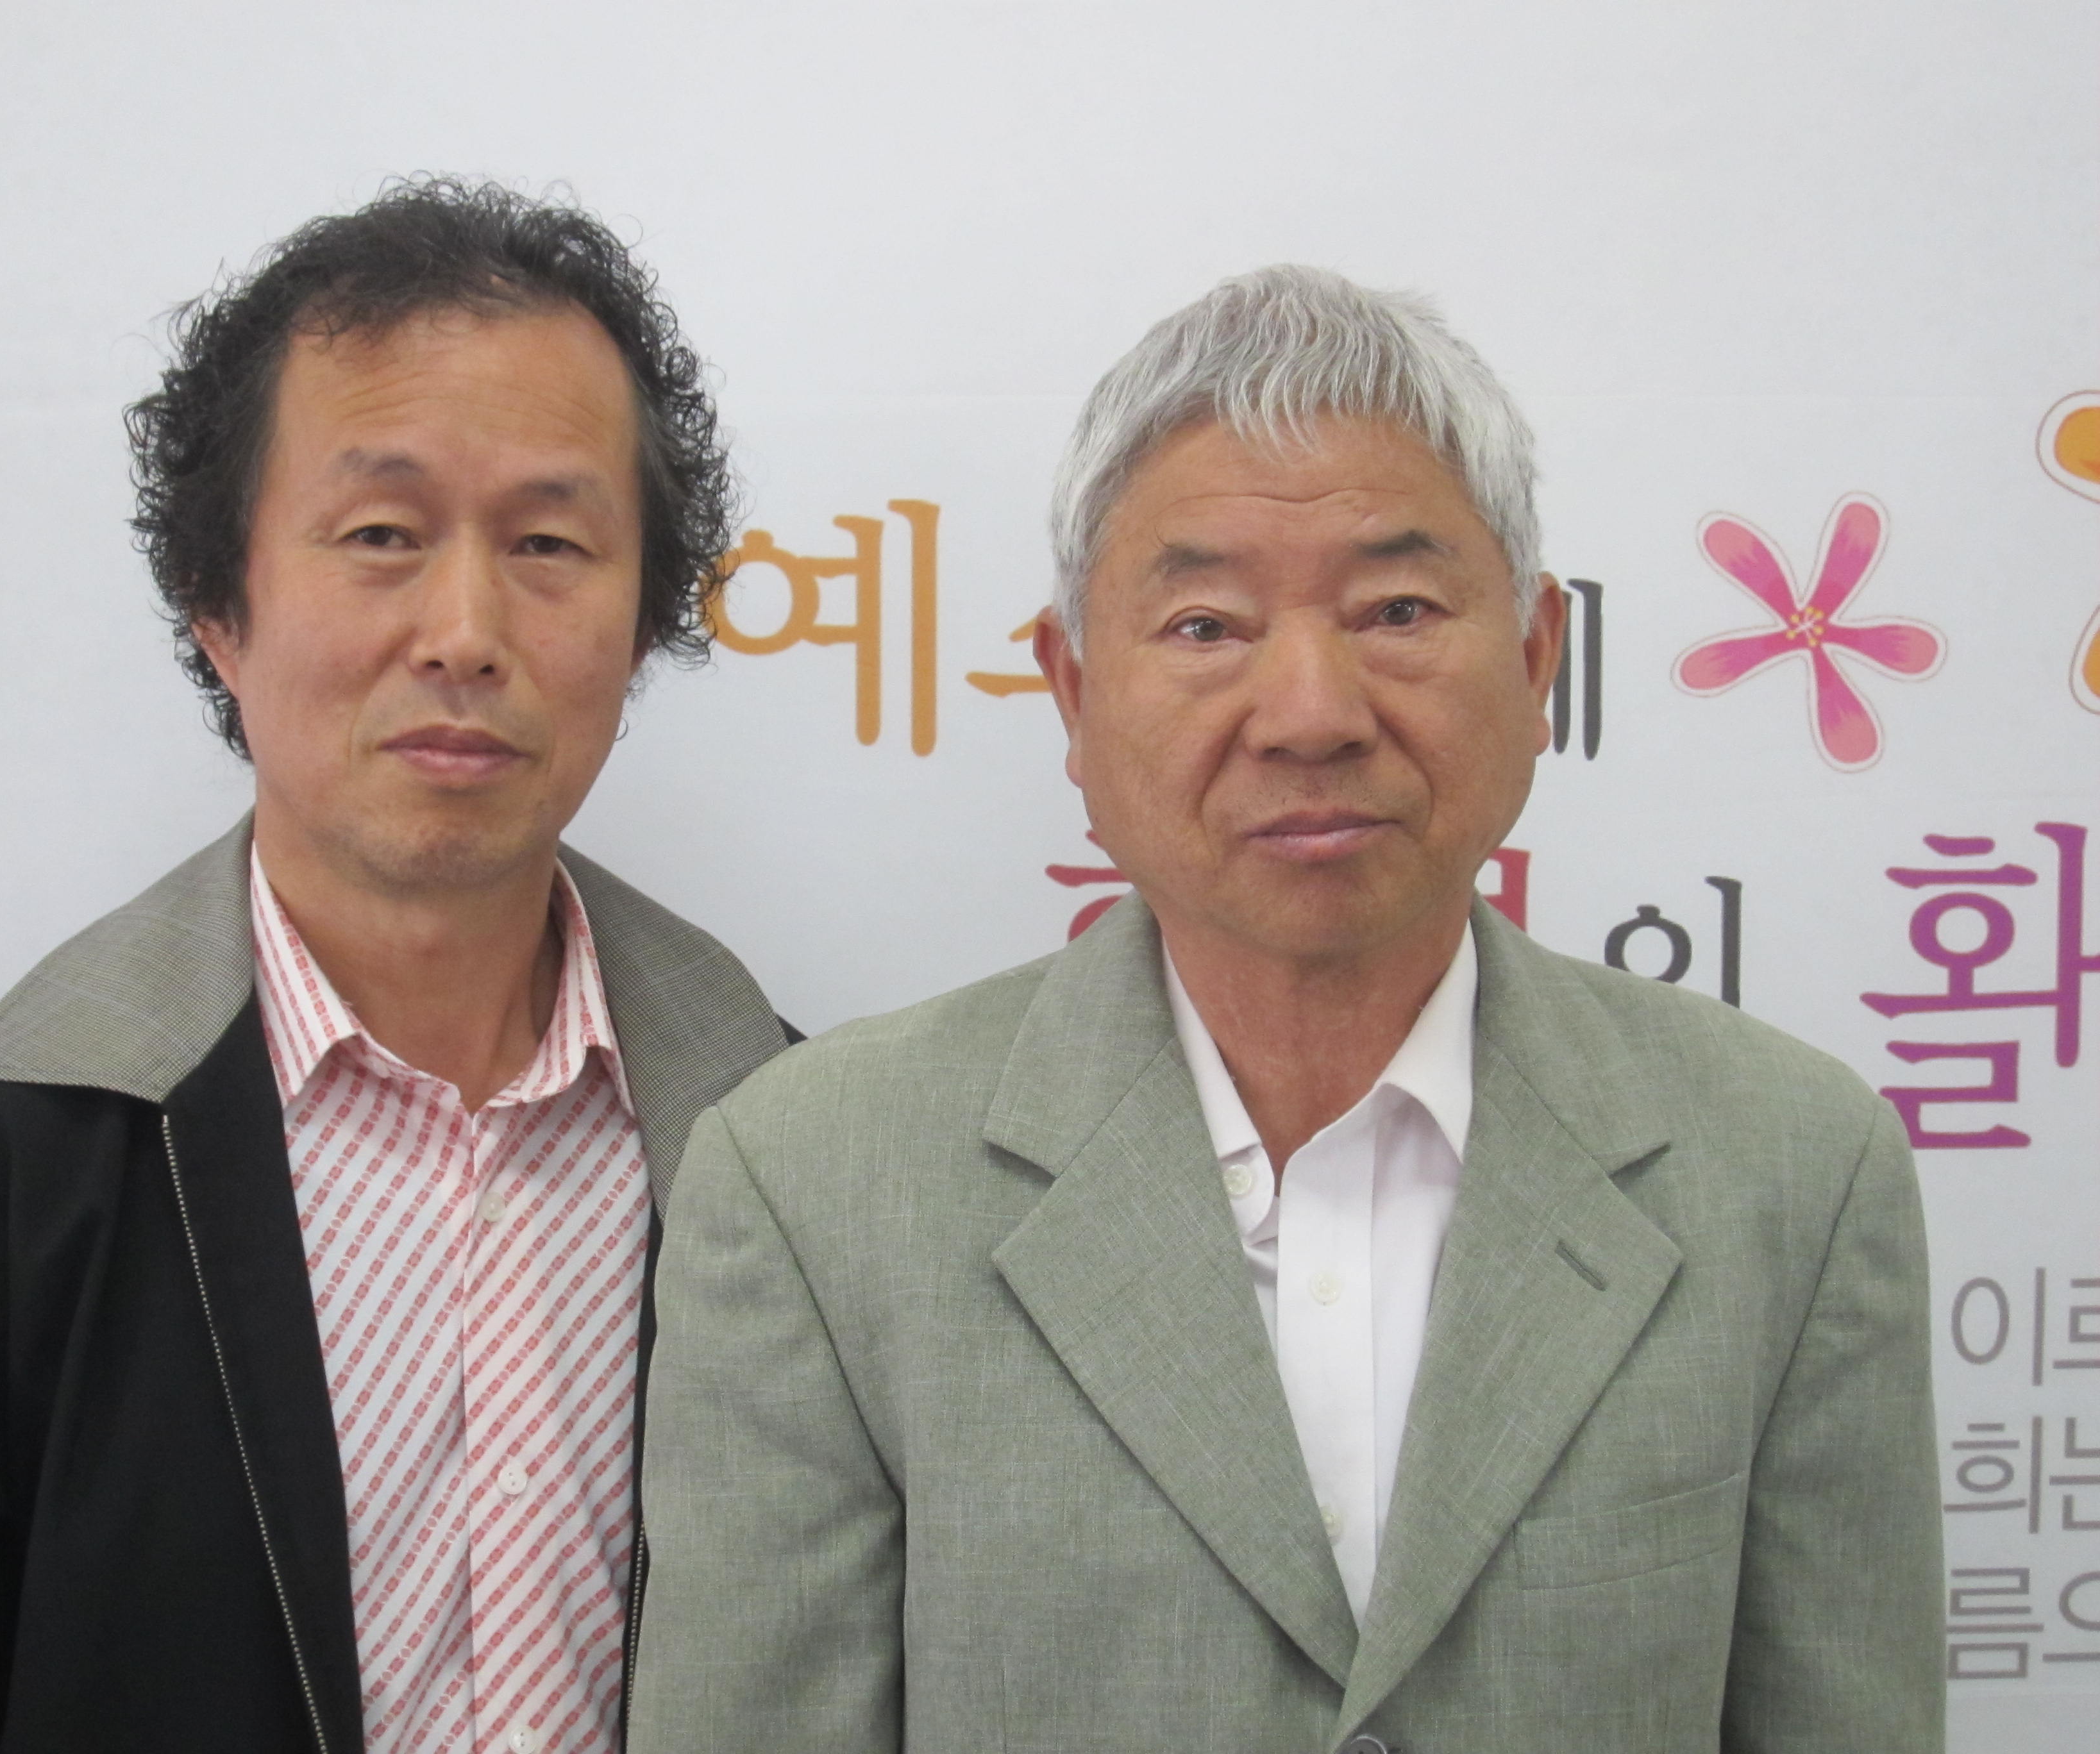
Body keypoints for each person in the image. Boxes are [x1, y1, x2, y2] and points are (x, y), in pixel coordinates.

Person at [626, 266, 1942, 1753]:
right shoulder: (814, 1183)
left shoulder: (1790, 1166)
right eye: (1206, 625)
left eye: (1397, 610)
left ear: (1535, 659)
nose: (1312, 712)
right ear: (1072, 693)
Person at [0, 178, 792, 1754]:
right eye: (381, 536)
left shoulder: (788, 1145)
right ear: (217, 606)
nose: (465, 629)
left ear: (643, 621)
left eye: (548, 542)